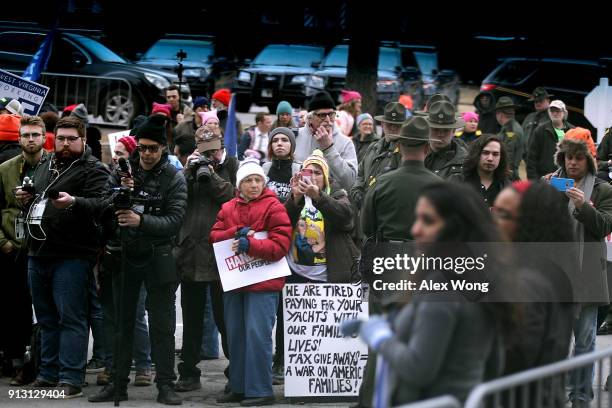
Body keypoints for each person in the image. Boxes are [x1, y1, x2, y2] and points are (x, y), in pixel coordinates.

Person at [347, 182, 510, 405]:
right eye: (417, 218)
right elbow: (494, 364)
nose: (415, 230)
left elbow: (418, 368)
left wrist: (380, 337)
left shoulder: (440, 288)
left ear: (456, 228)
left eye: (428, 221)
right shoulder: (480, 279)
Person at [88, 114, 187, 405]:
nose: (146, 154)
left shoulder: (174, 177)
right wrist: (124, 192)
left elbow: (174, 221)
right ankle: (116, 384)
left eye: (152, 148)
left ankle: (166, 385)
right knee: (121, 322)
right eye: (142, 148)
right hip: (125, 257)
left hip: (159, 257)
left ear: (162, 148)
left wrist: (139, 220)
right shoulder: (122, 170)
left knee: (162, 325)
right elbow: (103, 208)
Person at [17, 116, 110, 398]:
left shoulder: (94, 169)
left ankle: (70, 378)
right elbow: (40, 200)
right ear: (53, 139)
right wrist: (27, 198)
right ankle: (48, 373)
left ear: (83, 140)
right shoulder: (46, 165)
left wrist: (74, 202)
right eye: (61, 139)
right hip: (39, 251)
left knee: (71, 318)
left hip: (72, 254)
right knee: (45, 318)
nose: (66, 144)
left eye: (71, 139)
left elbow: (102, 205)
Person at [211, 158, 292, 407]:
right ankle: (238, 386)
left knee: (258, 335)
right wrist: (234, 233)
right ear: (239, 185)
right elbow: (214, 235)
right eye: (248, 180)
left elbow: (280, 245)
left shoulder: (274, 206)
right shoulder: (227, 208)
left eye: (258, 180)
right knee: (236, 335)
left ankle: (260, 390)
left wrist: (252, 245)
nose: (254, 184)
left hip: (264, 284)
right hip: (236, 282)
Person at [547, 128, 612, 407]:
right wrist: (545, 192)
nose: (572, 163)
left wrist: (583, 206)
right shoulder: (551, 183)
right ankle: (555, 393)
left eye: (578, 158)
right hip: (555, 275)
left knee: (585, 341)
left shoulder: (603, 189)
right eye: (568, 157)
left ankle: (582, 395)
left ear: (589, 161)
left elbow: (604, 226)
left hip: (587, 275)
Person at [174, 128, 238, 392]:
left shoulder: (232, 166)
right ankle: (188, 372)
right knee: (191, 319)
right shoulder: (188, 170)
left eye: (215, 151)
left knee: (227, 319)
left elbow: (234, 199)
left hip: (222, 255)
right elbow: (176, 199)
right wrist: (188, 172)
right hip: (191, 254)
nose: (211, 156)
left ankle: (237, 370)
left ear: (221, 147)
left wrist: (211, 176)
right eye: (205, 152)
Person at [0, 115, 49, 385]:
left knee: (45, 307)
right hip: (12, 248)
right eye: (26, 135)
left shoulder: (55, 167)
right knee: (13, 306)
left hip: (45, 248)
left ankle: (42, 361)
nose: (30, 139)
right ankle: (16, 359)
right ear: (18, 138)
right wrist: (3, 243)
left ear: (44, 137)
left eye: (35, 135)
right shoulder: (6, 169)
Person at [362, 116, 441, 242]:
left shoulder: (381, 183)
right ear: (427, 148)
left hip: (386, 257)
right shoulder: (440, 187)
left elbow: (367, 227)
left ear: (399, 146)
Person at [285, 149, 359, 282]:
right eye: (308, 172)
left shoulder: (337, 195)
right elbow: (282, 224)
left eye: (318, 173)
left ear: (325, 177)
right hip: (296, 276)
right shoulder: (296, 195)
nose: (312, 177)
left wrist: (319, 196)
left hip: (328, 278)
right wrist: (295, 199)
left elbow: (346, 220)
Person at [294, 91, 358, 191]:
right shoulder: (295, 137)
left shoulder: (346, 143)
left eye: (331, 114)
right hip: (298, 199)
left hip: (331, 203)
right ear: (310, 118)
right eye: (322, 115)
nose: (328, 120)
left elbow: (350, 182)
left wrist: (329, 149)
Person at [449, 134, 511, 207]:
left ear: (501, 157)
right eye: (485, 153)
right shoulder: (457, 181)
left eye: (495, 154)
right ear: (476, 154)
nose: (490, 158)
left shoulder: (507, 187)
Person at [527, 100, 575, 180]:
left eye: (558, 111)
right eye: (552, 111)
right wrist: (534, 182)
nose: (555, 113)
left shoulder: (573, 131)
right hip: (544, 179)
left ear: (564, 112)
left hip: (567, 178)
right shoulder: (540, 131)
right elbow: (531, 159)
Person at [424, 100, 467, 179]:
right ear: (428, 129)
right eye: (436, 129)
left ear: (453, 131)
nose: (440, 134)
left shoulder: (464, 161)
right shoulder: (415, 154)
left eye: (446, 130)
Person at [263, 127, 301, 203]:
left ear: (291, 145)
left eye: (284, 140)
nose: (279, 143)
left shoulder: (299, 169)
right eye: (275, 140)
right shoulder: (264, 168)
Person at [494, 96, 523, 180]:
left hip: (507, 174)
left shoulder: (511, 130)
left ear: (500, 114)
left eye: (496, 113)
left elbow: (508, 153)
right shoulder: (509, 127)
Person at [522, 87, 553, 159]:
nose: (538, 103)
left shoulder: (554, 118)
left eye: (541, 100)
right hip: (529, 160)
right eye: (536, 101)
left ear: (548, 101)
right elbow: (522, 136)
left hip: (546, 160)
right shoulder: (529, 117)